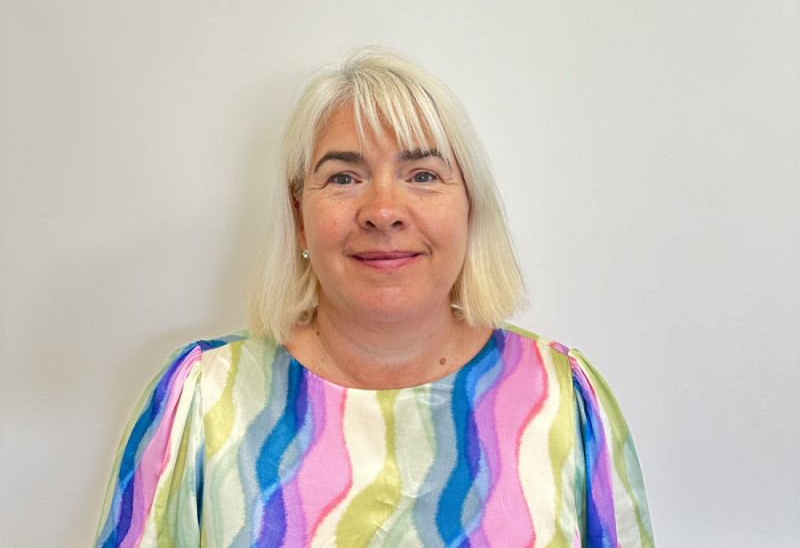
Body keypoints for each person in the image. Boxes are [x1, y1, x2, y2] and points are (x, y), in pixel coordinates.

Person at [95, 48, 654, 547]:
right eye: (343, 178)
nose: (383, 210)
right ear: (299, 215)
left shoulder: (561, 397)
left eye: (423, 175)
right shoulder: (203, 398)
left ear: (470, 207)